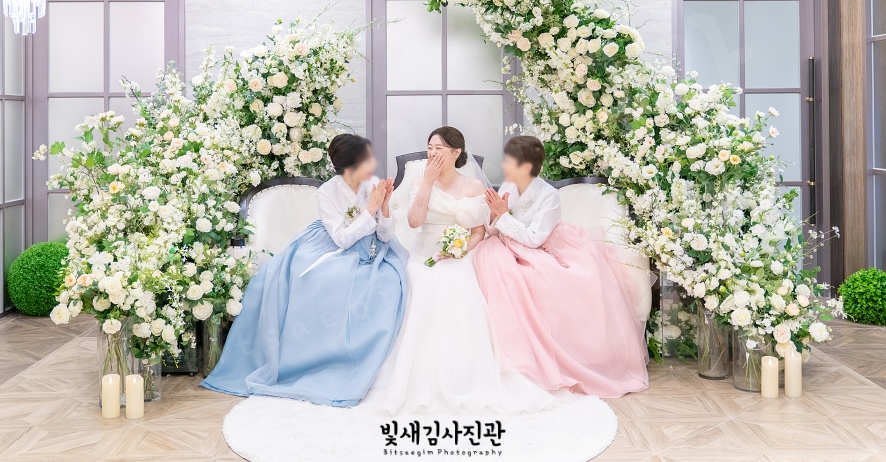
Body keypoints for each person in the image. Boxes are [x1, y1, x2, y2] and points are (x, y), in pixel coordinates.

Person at [201, 134, 407, 406]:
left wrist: (384, 207)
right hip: (332, 247)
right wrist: (370, 209)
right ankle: (322, 362)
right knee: (324, 279)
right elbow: (342, 239)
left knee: (389, 283)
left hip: (371, 250)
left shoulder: (372, 185)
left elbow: (385, 235)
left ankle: (370, 365)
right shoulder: (327, 192)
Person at [363, 126, 554, 414]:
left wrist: (461, 249)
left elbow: (479, 232)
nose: (432, 153)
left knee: (458, 282)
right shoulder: (420, 181)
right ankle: (414, 376)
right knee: (420, 278)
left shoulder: (474, 186)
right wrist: (427, 182)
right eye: (430, 148)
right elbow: (414, 222)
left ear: (456, 152)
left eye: (439, 148)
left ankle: (463, 374)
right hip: (425, 249)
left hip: (461, 250)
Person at [473, 136, 648, 397]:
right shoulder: (508, 186)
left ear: (526, 167)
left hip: (547, 247)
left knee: (544, 279)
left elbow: (535, 239)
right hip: (512, 244)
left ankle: (547, 359)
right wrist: (494, 214)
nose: (505, 165)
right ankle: (503, 355)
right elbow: (494, 229)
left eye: (510, 161)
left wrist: (503, 214)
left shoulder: (549, 196)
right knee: (491, 258)